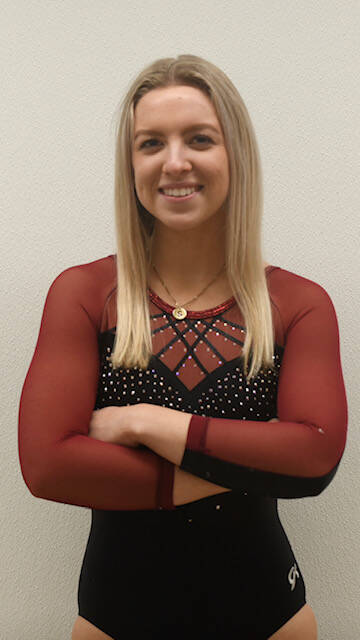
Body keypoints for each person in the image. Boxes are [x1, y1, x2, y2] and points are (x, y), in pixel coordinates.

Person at [18, 54, 347, 640]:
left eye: (199, 138)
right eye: (150, 143)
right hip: (114, 621)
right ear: (131, 164)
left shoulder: (298, 304)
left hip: (270, 618)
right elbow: (49, 467)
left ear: (235, 156)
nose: (175, 162)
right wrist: (254, 464)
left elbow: (316, 456)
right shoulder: (86, 294)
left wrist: (147, 422)